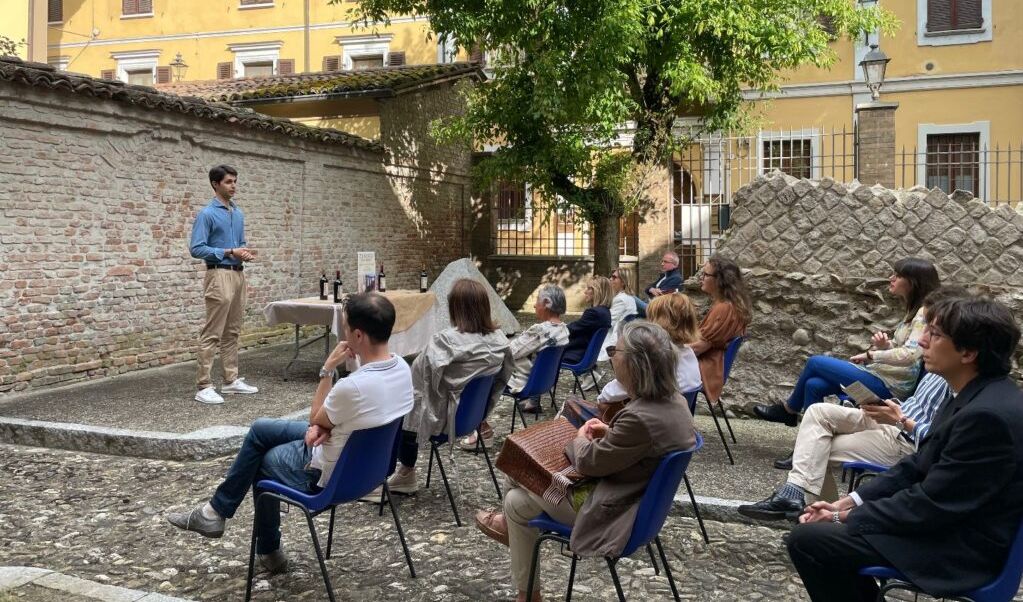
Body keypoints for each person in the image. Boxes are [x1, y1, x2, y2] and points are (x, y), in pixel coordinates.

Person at [786, 295, 1023, 602]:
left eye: (935, 335)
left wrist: (841, 518)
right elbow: (916, 466)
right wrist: (849, 502)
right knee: (814, 536)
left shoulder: (987, 415)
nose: (922, 341)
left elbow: (932, 503)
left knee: (809, 540)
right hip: (947, 526)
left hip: (960, 549)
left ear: (968, 352)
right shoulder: (974, 394)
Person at [166, 293, 414, 574]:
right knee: (260, 429)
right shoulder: (402, 369)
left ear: (357, 335)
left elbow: (316, 415)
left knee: (261, 460)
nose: (342, 333)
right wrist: (322, 425)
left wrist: (328, 369)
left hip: (329, 476)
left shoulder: (352, 387)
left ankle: (256, 541)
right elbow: (328, 420)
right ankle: (218, 515)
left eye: (345, 327)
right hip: (369, 469)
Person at [474, 321, 696, 602]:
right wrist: (612, 435)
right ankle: (527, 591)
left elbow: (589, 463)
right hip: (639, 504)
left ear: (636, 365)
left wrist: (578, 437)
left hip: (614, 511)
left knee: (517, 464)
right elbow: (641, 446)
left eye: (615, 350)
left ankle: (522, 574)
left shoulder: (640, 416)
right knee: (517, 503)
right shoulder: (674, 402)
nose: (612, 356)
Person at [739, 287, 962, 520]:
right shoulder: (937, 365)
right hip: (892, 413)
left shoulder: (956, 380)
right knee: (817, 408)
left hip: (902, 435)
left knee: (815, 440)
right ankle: (797, 498)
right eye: (924, 328)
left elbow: (937, 442)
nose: (923, 340)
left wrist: (900, 419)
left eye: (932, 333)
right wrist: (888, 406)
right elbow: (916, 398)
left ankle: (812, 516)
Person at [755, 257, 940, 429]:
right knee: (813, 384)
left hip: (890, 387)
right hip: (881, 376)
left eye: (898, 276)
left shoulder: (923, 313)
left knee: (815, 362)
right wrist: (886, 346)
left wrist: (871, 355)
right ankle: (809, 446)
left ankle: (788, 410)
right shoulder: (914, 311)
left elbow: (910, 354)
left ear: (914, 282)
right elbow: (906, 350)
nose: (891, 278)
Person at [383, 279, 509, 495]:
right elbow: (501, 380)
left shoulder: (445, 343)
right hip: (471, 416)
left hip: (444, 419)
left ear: (454, 308)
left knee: (399, 405)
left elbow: (416, 379)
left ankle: (403, 471)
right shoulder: (499, 340)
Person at [459, 285, 570, 450]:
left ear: (546, 303)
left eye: (537, 301)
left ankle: (482, 430)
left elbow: (510, 352)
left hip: (520, 381)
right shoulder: (563, 330)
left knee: (475, 375)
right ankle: (480, 427)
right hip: (541, 382)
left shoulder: (540, 330)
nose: (534, 305)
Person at [189, 164, 259, 405]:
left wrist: (244, 253)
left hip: (238, 274)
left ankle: (230, 381)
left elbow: (240, 244)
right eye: (229, 182)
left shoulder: (237, 214)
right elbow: (196, 248)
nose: (234, 186)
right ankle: (204, 385)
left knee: (233, 330)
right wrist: (229, 250)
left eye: (235, 181)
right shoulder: (207, 214)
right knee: (212, 332)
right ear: (215, 184)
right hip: (218, 275)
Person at [597, 292, 703, 406]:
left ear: (659, 322)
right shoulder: (689, 355)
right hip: (678, 419)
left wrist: (599, 400)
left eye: (650, 318)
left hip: (645, 419)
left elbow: (610, 394)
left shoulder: (656, 359)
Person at [690, 256, 752, 406]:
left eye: (705, 275)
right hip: (709, 362)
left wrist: (668, 350)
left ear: (720, 280)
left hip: (707, 366)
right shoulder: (729, 305)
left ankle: (676, 423)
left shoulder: (724, 309)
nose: (701, 278)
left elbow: (698, 347)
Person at [560, 276, 612, 367]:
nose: (585, 292)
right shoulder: (605, 312)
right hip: (588, 357)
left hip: (575, 355)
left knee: (541, 352)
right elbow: (578, 326)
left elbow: (571, 330)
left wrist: (556, 329)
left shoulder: (594, 313)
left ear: (598, 291)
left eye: (589, 288)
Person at [597, 268, 638, 363]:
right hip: (621, 336)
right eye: (611, 276)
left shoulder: (621, 299)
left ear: (623, 282)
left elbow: (608, 322)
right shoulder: (626, 297)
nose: (610, 279)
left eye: (614, 277)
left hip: (614, 339)